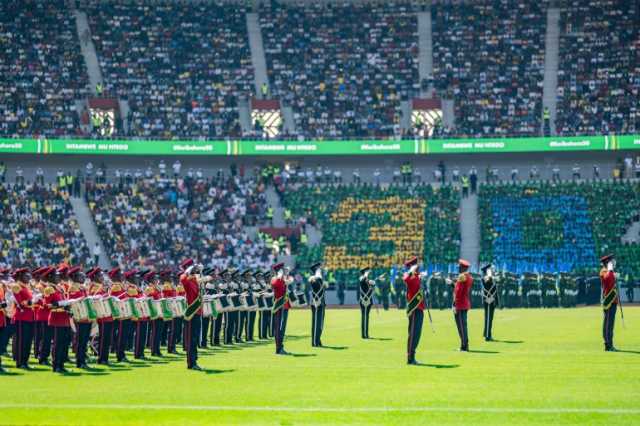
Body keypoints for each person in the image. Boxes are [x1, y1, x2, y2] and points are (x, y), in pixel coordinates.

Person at [180, 259, 211, 370]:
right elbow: (183, 279)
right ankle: (191, 363)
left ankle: (194, 360)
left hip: (197, 311)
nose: (196, 270)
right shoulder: (186, 278)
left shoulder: (195, 279)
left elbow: (202, 283)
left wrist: (203, 276)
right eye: (194, 268)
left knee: (195, 338)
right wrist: (190, 269)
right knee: (191, 339)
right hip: (191, 313)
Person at [403, 257, 426, 365]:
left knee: (417, 334)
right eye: (417, 265)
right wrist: (411, 270)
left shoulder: (417, 276)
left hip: (419, 308)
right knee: (413, 334)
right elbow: (406, 279)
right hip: (414, 309)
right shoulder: (410, 275)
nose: (419, 267)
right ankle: (410, 357)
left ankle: (412, 356)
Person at [11, 268, 34, 369]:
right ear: (20, 276)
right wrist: (31, 301)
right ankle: (20, 362)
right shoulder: (17, 286)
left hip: (29, 317)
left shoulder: (26, 287)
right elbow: (20, 303)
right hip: (21, 316)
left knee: (28, 341)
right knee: (21, 341)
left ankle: (25, 361)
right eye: (26, 276)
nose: (29, 277)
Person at [451, 259, 473, 351]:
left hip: (460, 304)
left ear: (462, 268)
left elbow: (458, 292)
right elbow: (460, 288)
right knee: (463, 325)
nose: (458, 269)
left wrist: (454, 304)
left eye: (459, 267)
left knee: (461, 326)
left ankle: (464, 346)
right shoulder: (468, 277)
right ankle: (464, 344)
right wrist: (453, 284)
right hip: (464, 303)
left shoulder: (462, 277)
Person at [271, 262, 292, 355]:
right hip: (280, 306)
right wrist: (284, 277)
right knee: (279, 328)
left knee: (281, 329)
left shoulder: (280, 279)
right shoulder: (276, 280)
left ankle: (280, 347)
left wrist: (285, 276)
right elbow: (282, 284)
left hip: (284, 306)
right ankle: (279, 349)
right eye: (282, 269)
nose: (284, 271)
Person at [600, 254, 619, 352]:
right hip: (609, 301)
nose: (614, 263)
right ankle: (608, 344)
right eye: (612, 262)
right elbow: (608, 280)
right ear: (608, 263)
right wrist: (611, 270)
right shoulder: (604, 271)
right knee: (608, 323)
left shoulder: (609, 272)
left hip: (613, 300)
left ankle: (609, 344)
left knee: (609, 323)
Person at [309, 262, 327, 347]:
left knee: (320, 323)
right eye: (319, 268)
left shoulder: (319, 279)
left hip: (321, 303)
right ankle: (315, 342)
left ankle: (317, 340)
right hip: (317, 303)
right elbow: (315, 283)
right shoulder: (314, 279)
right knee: (316, 323)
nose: (321, 269)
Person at [481, 264, 498, 341]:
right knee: (488, 318)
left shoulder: (491, 277)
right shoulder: (485, 277)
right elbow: (488, 279)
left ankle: (487, 333)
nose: (493, 270)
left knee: (490, 319)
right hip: (488, 300)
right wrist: (490, 273)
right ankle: (487, 336)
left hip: (491, 300)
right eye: (491, 269)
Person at [358, 267, 376, 339]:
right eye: (368, 271)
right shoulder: (362, 278)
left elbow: (370, 286)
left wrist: (373, 283)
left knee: (366, 317)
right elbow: (362, 281)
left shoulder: (366, 279)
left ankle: (366, 334)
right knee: (364, 317)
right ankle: (364, 334)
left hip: (368, 300)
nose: (369, 273)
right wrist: (366, 275)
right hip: (364, 301)